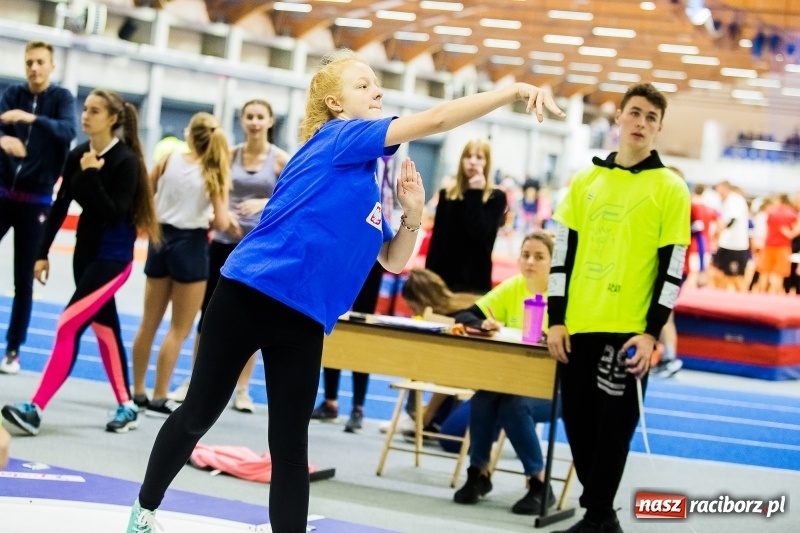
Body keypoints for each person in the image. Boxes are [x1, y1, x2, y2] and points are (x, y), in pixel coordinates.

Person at [125, 48, 564, 533]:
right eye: (363, 84)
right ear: (335, 103)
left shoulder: (369, 182)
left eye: (378, 83)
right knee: (198, 414)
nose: (377, 90)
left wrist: (413, 210)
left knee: (291, 444)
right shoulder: (341, 138)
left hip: (306, 319)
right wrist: (513, 90)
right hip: (249, 294)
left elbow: (394, 261)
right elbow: (437, 117)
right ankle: (143, 511)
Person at [547, 83, 690, 533]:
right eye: (635, 113)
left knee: (615, 428)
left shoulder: (670, 187)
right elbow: (560, 256)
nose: (641, 123)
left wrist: (652, 332)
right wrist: (556, 319)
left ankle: (597, 514)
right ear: (619, 119)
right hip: (579, 324)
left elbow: (673, 268)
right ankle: (602, 515)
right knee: (578, 421)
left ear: (659, 127)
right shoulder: (585, 180)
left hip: (630, 332)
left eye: (651, 117)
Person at [1, 89, 160, 436]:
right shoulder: (77, 155)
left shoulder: (126, 161)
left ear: (113, 119)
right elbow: (59, 206)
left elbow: (114, 212)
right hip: (84, 258)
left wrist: (90, 175)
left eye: (95, 111)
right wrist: (42, 253)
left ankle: (35, 409)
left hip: (113, 260)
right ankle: (127, 405)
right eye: (84, 110)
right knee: (105, 330)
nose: (85, 116)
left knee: (67, 324)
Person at [167, 99, 290, 414]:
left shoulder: (279, 161)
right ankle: (195, 380)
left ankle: (243, 388)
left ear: (270, 121)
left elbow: (293, 197)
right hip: (223, 243)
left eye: (260, 117)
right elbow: (210, 186)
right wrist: (215, 215)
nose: (254, 122)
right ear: (242, 119)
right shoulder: (228, 154)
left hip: (259, 249)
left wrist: (263, 203)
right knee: (207, 317)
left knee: (251, 322)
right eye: (249, 116)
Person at [131, 112, 232, 417]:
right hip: (191, 245)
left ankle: (136, 391)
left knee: (148, 323)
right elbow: (223, 221)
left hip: (161, 241)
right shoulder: (214, 170)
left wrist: (153, 219)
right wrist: (210, 217)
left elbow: (144, 192)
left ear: (190, 134)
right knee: (179, 329)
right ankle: (160, 395)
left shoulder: (168, 160)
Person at [450, 231, 557, 515]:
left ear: (553, 262)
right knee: (483, 397)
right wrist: (483, 323)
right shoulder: (513, 287)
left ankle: (540, 484)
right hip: (511, 377)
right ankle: (479, 474)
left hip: (554, 388)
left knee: (514, 406)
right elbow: (464, 315)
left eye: (539, 256)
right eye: (525, 255)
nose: (530, 262)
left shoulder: (564, 294)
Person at [0, 40, 77, 374]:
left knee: (23, 278)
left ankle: (13, 350)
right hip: (2, 194)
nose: (33, 68)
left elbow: (68, 131)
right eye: (29, 62)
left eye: (40, 62)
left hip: (36, 202)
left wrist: (30, 119)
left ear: (51, 66)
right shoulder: (12, 93)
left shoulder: (61, 99)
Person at [425, 138, 508, 294]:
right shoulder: (447, 195)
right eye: (468, 156)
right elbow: (437, 241)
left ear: (487, 163)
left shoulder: (496, 197)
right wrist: (428, 279)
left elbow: (480, 234)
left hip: (474, 281)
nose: (472, 162)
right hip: (443, 279)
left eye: (479, 157)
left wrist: (475, 193)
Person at [310, 261, 384, 432]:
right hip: (343, 251)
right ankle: (330, 403)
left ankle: (358, 407)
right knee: (334, 320)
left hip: (372, 254)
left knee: (362, 327)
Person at [712, 180, 750, 292]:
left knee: (736, 276)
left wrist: (719, 230)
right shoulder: (727, 201)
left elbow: (731, 221)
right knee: (720, 272)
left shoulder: (735, 200)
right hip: (726, 243)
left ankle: (743, 301)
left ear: (725, 188)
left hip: (736, 245)